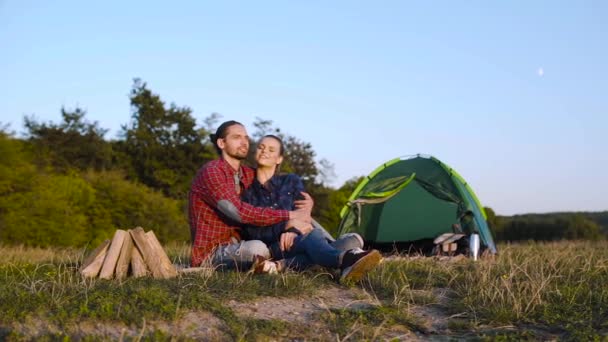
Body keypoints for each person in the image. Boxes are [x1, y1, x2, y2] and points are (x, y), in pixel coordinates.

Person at [240, 134, 382, 281]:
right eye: (261, 147)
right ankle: (343, 260)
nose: (264, 151)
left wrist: (293, 230)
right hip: (277, 245)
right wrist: (287, 226)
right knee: (323, 238)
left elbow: (303, 214)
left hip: (301, 236)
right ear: (255, 152)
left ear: (279, 159)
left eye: (271, 150)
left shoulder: (291, 181)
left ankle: (276, 266)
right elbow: (253, 229)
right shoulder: (248, 192)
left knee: (351, 239)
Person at [188, 121, 313, 269]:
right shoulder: (212, 172)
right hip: (214, 251)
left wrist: (305, 204)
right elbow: (239, 213)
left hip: (242, 242)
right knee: (257, 249)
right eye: (237, 137)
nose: (244, 142)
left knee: (305, 222)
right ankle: (296, 259)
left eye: (246, 138)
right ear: (221, 143)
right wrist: (289, 216)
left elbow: (279, 185)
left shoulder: (247, 174)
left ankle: (329, 247)